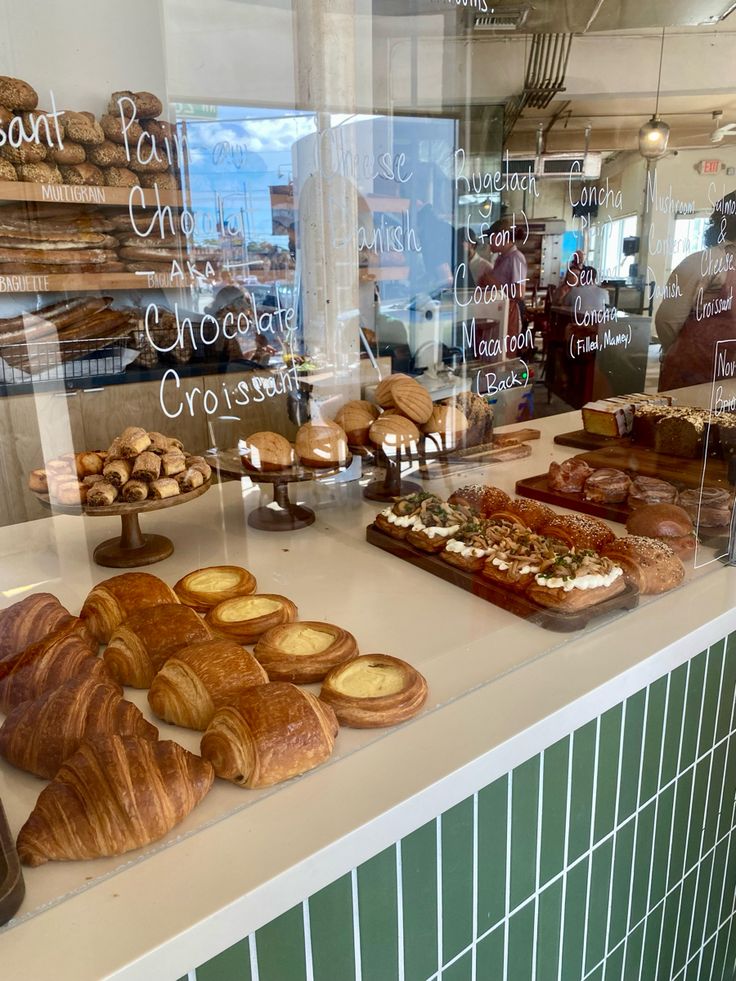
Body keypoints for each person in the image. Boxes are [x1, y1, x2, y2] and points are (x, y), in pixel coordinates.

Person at [657, 190, 736, 390]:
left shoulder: (703, 262)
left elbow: (668, 320)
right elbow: (667, 321)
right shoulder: (706, 262)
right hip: (695, 372)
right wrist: (684, 351)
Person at [477, 218, 528, 336]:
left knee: (505, 352)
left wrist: (494, 284)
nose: (489, 242)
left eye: (492, 237)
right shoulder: (501, 258)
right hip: (499, 311)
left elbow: (519, 293)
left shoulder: (516, 257)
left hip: (509, 312)